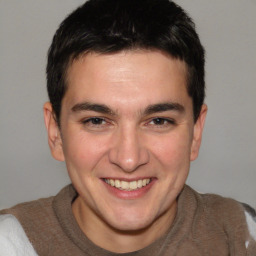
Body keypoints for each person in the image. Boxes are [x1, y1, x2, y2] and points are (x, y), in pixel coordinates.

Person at [0, 0, 255, 255]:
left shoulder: (242, 235)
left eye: (158, 121)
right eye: (97, 121)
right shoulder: (10, 244)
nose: (129, 159)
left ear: (195, 133)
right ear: (55, 133)